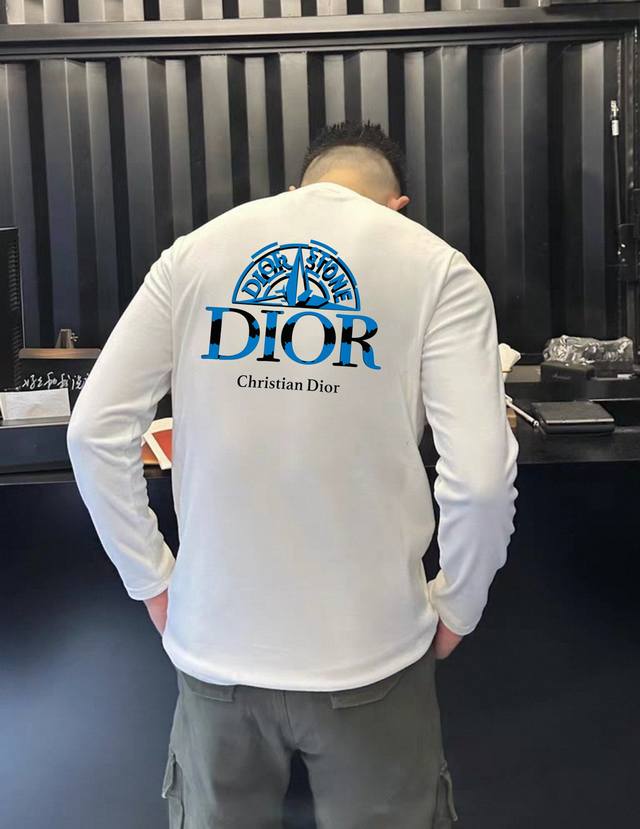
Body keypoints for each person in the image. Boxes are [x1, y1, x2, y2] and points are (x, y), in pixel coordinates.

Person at [66, 119, 519, 828]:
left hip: (215, 649)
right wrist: (459, 603)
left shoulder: (194, 255)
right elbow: (482, 479)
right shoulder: (438, 269)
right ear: (398, 205)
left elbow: (93, 431)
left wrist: (150, 578)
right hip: (372, 654)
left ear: (297, 188)